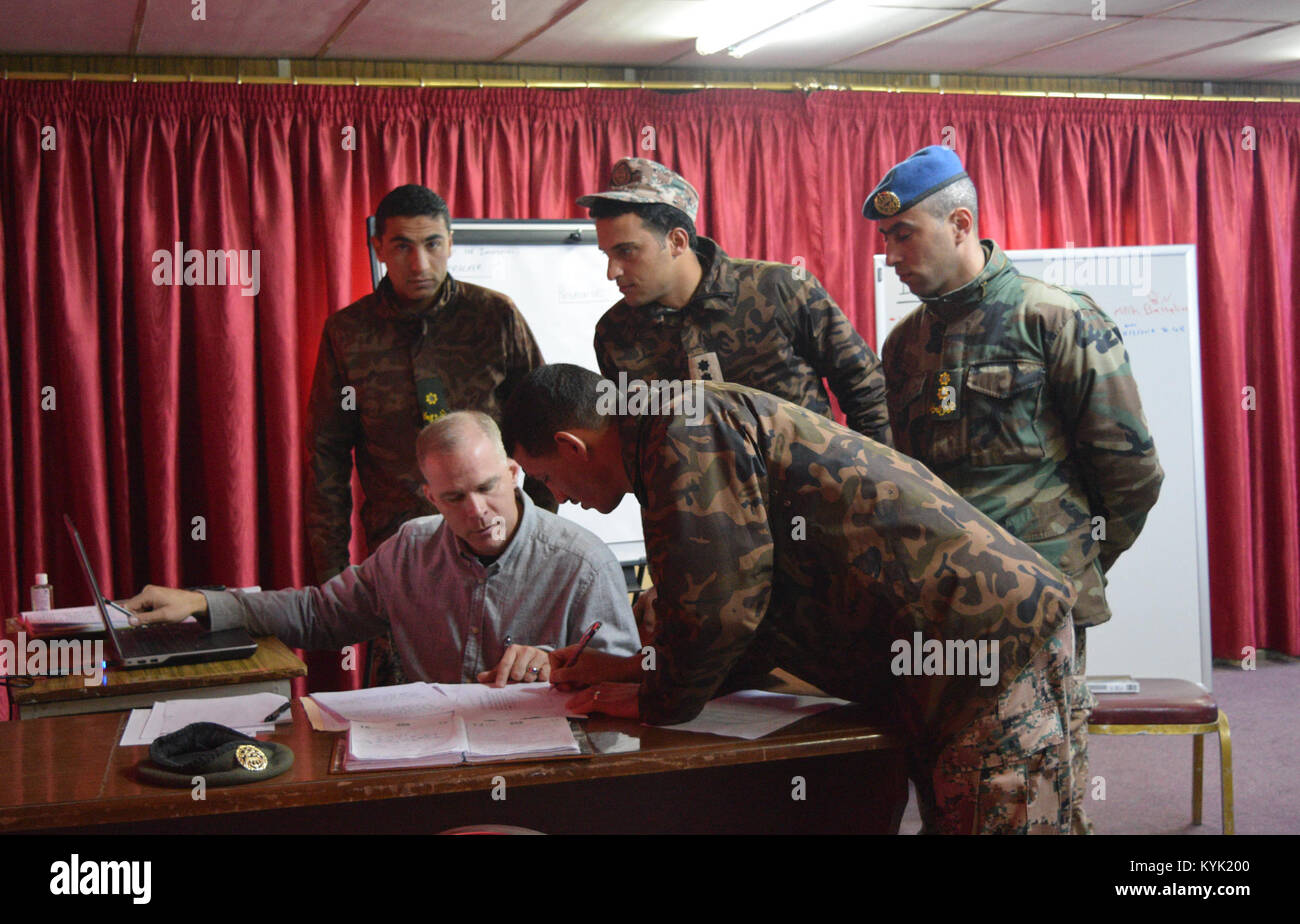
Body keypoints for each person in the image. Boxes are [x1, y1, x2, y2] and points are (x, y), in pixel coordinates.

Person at [502, 364, 1080, 834]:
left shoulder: (681, 427)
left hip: (981, 644)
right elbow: (751, 608)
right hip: (973, 637)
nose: (559, 499)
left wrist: (646, 699)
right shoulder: (671, 423)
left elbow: (720, 613)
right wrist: (633, 667)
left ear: (570, 445)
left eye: (547, 479)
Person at [863, 145, 1164, 834]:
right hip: (940, 612)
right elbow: (905, 482)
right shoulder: (905, 345)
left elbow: (1131, 473)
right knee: (951, 792)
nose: (890, 255)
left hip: (1033, 618)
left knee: (1030, 792)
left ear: (960, 224)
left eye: (902, 234)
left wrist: (1067, 566)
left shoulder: (1054, 319)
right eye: (885, 239)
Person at [122, 412, 640, 686]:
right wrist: (204, 602)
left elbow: (626, 676)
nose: (478, 511)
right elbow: (318, 614)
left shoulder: (582, 562)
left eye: (487, 488)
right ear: (430, 497)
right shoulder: (410, 549)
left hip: (543, 771)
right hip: (432, 762)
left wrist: (559, 667)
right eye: (455, 498)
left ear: (512, 473)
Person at [305, 183, 552, 588]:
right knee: (404, 650)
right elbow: (325, 456)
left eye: (433, 244)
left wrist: (542, 538)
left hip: (498, 539)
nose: (420, 263)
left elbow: (540, 429)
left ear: (451, 244)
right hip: (399, 546)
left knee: (506, 652)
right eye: (402, 247)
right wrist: (332, 573)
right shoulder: (348, 332)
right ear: (378, 248)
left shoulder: (495, 316)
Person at [580, 157, 892, 445]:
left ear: (677, 241)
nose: (612, 272)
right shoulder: (615, 333)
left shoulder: (779, 290)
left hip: (807, 500)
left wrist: (872, 488)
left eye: (626, 252)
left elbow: (866, 390)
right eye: (607, 255)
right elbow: (635, 441)